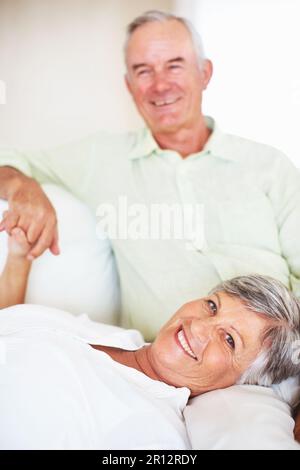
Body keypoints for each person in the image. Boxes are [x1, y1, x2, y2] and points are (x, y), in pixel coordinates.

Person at [0, 228, 300, 447]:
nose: (198, 327)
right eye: (212, 306)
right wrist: (18, 259)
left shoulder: (146, 430)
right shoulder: (119, 338)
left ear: (242, 383)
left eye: (229, 340)